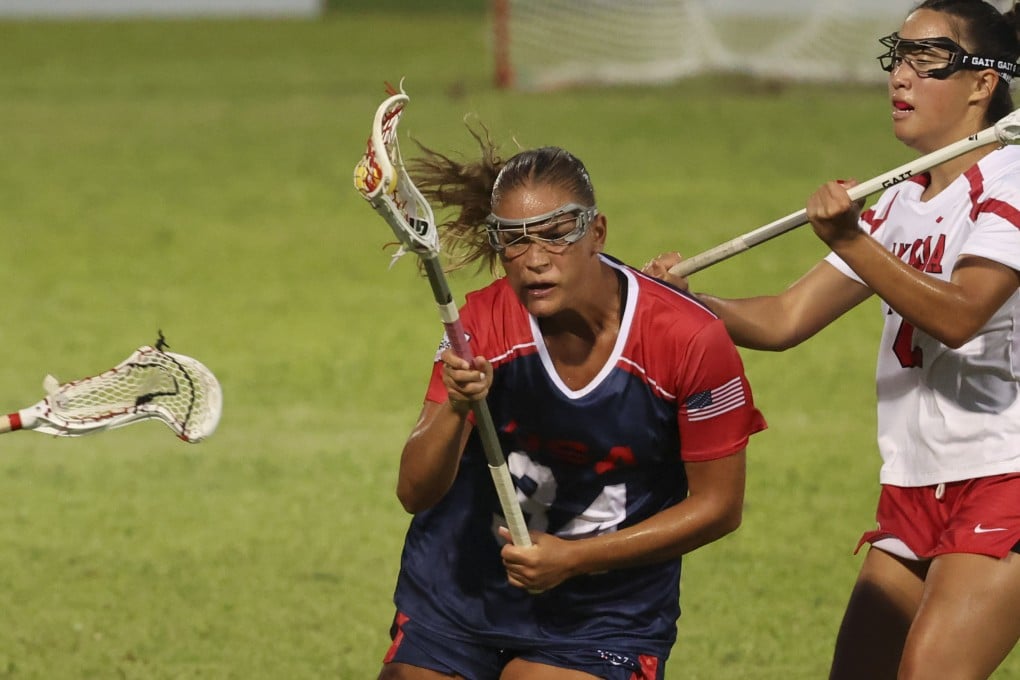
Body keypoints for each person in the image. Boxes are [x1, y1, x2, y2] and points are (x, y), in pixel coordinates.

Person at [644, 1, 1020, 678]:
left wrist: (851, 239)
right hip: (914, 483)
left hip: (1004, 478)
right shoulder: (901, 201)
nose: (900, 77)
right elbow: (786, 319)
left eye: (925, 61)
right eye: (896, 57)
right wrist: (688, 300)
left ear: (982, 83)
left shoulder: (1011, 183)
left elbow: (963, 314)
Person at [377, 139, 766, 679]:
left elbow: (720, 506)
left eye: (557, 235)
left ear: (597, 232)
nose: (535, 261)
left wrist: (575, 559)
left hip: (602, 616)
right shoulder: (483, 323)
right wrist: (458, 409)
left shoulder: (690, 339)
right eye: (513, 241)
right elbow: (414, 492)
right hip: (459, 598)